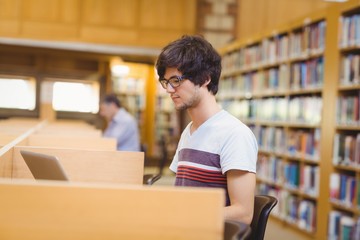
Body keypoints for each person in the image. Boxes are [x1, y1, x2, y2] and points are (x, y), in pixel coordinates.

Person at [155, 35, 258, 224]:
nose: (169, 89)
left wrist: (189, 217)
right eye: (166, 82)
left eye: (176, 80)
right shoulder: (189, 131)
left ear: (205, 79)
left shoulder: (235, 134)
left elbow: (243, 213)